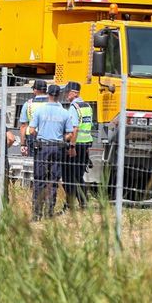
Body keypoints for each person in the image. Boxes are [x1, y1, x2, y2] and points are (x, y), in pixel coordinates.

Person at [24, 83, 77, 219]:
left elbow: (31, 130)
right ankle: (49, 212)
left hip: (42, 148)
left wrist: (38, 135)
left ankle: (36, 214)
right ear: (58, 95)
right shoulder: (64, 113)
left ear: (48, 94)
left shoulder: (39, 111)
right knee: (53, 180)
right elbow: (70, 134)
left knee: (39, 180)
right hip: (57, 148)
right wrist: (61, 138)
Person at [17, 80, 49, 212]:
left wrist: (23, 143)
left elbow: (24, 125)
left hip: (33, 138)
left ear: (35, 90)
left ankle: (34, 190)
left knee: (35, 166)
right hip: (49, 138)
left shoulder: (28, 104)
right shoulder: (52, 103)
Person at [60, 81, 93, 211]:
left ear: (74, 93)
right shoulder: (87, 106)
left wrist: (72, 147)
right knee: (78, 175)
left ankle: (71, 204)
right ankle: (82, 203)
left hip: (76, 145)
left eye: (67, 92)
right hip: (86, 144)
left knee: (69, 176)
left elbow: (75, 129)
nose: (66, 95)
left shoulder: (74, 107)